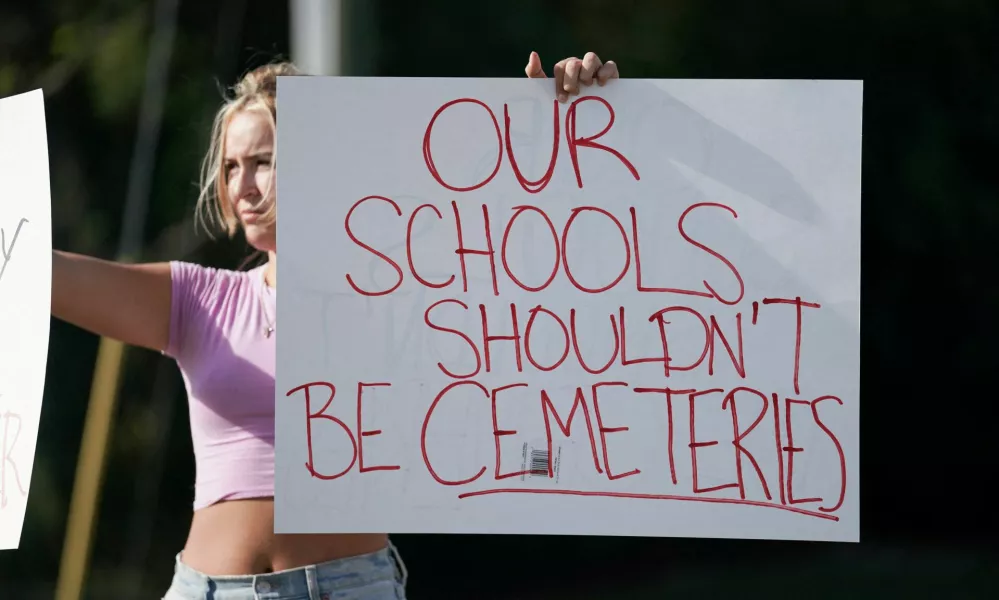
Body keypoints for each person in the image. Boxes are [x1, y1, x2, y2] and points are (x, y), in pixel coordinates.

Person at [51, 50, 620, 600]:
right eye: (231, 167)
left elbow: (528, 227)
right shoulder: (200, 300)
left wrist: (572, 109)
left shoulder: (401, 290)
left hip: (348, 587)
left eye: (263, 162)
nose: (243, 186)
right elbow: (42, 275)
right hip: (207, 590)